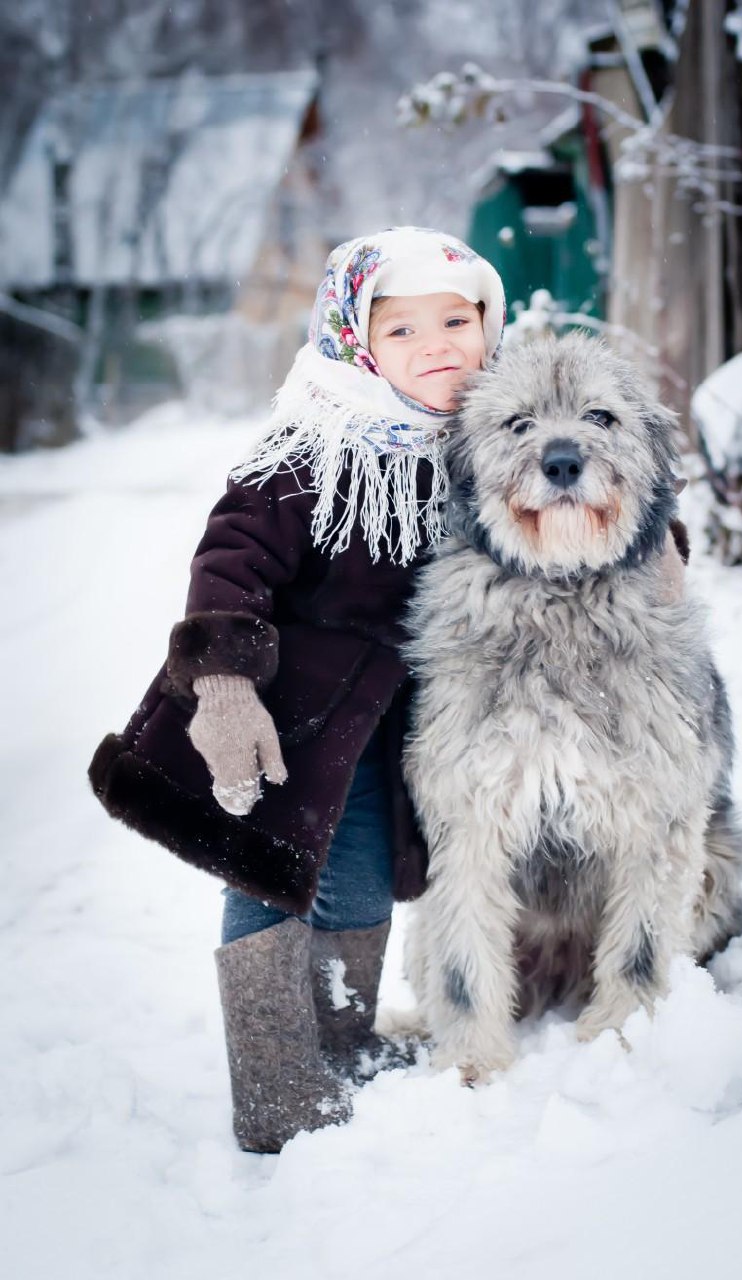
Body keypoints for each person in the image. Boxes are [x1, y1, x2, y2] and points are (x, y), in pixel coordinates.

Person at [88, 226, 507, 1153]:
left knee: (357, 887)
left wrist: (657, 552)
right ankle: (276, 1085)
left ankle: (342, 1045)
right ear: (353, 341)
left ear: (489, 322)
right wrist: (226, 691)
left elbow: (571, 501)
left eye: (456, 318)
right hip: (287, 721)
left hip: (392, 727)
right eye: (400, 331)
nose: (437, 344)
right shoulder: (308, 449)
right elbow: (229, 564)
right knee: (268, 874)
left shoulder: (492, 438)